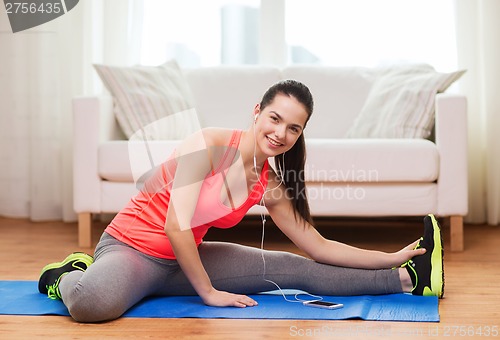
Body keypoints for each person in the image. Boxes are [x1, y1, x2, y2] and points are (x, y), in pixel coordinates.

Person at [38, 80, 444, 323]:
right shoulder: (209, 144)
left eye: (293, 127)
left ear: (300, 134)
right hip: (131, 248)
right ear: (257, 112)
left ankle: (410, 278)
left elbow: (320, 247)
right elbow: (175, 225)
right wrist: (209, 293)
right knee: (91, 304)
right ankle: (67, 275)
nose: (281, 133)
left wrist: (390, 257)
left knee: (295, 267)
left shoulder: (269, 186)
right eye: (274, 118)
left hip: (184, 258)